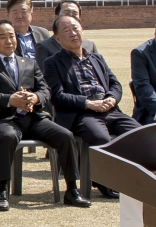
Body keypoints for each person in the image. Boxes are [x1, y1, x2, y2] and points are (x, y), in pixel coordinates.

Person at [0, 18, 82, 208]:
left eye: (12, 36)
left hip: (33, 119)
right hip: (2, 119)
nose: (9, 41)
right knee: (7, 136)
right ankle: (2, 191)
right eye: (3, 37)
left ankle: (72, 190)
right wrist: (9, 100)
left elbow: (45, 90)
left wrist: (35, 98)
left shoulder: (29, 63)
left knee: (65, 135)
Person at [42, 11, 145, 192]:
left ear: (82, 29)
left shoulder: (96, 58)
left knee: (139, 134)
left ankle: (137, 180)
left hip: (109, 109)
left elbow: (115, 83)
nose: (73, 33)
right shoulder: (53, 63)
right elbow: (57, 96)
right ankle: (105, 182)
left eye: (75, 28)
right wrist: (88, 103)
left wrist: (112, 98)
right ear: (57, 39)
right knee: (101, 138)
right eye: (66, 30)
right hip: (82, 113)